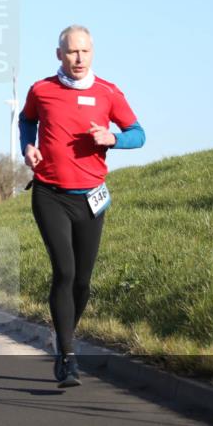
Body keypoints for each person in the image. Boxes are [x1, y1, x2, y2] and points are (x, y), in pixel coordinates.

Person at [18, 25, 145, 388]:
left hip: (91, 197)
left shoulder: (108, 92)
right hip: (50, 194)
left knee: (83, 282)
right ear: (59, 54)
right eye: (72, 52)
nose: (78, 58)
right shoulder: (41, 90)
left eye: (84, 51)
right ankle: (67, 358)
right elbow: (27, 119)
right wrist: (28, 146)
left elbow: (139, 134)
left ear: (92, 53)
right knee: (65, 271)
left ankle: (63, 337)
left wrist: (113, 138)